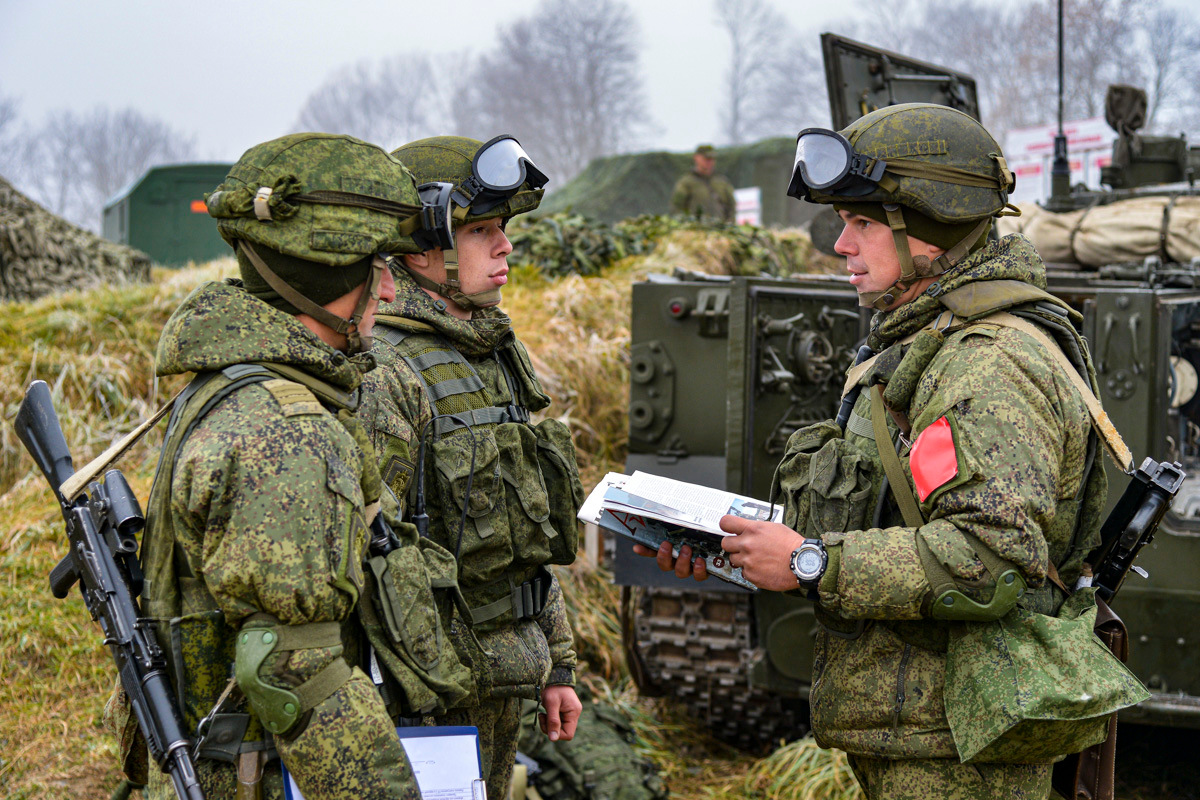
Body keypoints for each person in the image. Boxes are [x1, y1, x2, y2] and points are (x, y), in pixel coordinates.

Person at [640, 103, 1131, 799]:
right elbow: (896, 517)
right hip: (925, 731)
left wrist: (810, 564)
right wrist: (750, 549)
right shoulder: (921, 344)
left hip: (965, 744)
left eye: (862, 223)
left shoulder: (990, 363)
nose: (840, 244)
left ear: (930, 227)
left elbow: (987, 559)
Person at [130, 133, 452, 800]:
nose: (392, 289)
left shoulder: (234, 385)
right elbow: (299, 676)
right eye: (378, 267)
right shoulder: (286, 433)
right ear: (329, 279)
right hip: (256, 777)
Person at [357, 134, 585, 800]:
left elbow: (526, 533)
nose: (505, 245)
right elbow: (378, 557)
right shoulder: (389, 372)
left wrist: (558, 663)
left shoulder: (491, 351)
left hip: (505, 680)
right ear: (423, 245)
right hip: (431, 699)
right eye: (481, 229)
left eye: (503, 228)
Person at [670, 144, 735, 222]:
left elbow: (731, 206)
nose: (709, 162)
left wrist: (730, 224)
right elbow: (677, 207)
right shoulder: (686, 183)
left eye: (712, 159)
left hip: (720, 229)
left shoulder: (722, 182)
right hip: (696, 230)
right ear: (696, 158)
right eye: (706, 158)